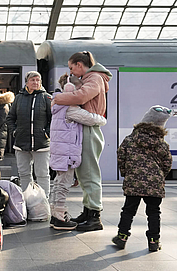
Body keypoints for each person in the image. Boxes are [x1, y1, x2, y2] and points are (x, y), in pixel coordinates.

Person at [52, 51, 112, 232]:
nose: (71, 72)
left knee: (90, 173)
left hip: (88, 129)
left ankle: (94, 215)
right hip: (84, 128)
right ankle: (88, 212)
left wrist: (57, 98)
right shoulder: (91, 78)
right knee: (85, 174)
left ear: (80, 64)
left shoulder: (94, 77)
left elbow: (80, 97)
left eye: (72, 68)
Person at [112, 105, 172, 252]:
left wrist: (126, 172)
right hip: (154, 185)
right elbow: (167, 163)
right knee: (154, 212)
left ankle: (122, 237)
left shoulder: (130, 139)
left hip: (133, 182)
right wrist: (159, 177)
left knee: (128, 210)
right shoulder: (161, 144)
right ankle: (154, 241)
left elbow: (121, 156)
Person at [6, 71, 52, 196]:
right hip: (21, 143)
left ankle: (44, 200)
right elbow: (10, 117)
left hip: (41, 144)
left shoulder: (46, 98)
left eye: (38, 80)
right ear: (27, 82)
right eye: (33, 80)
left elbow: (52, 119)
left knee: (42, 174)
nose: (35, 82)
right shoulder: (19, 98)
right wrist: (15, 132)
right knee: (24, 173)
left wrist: (46, 134)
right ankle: (27, 200)